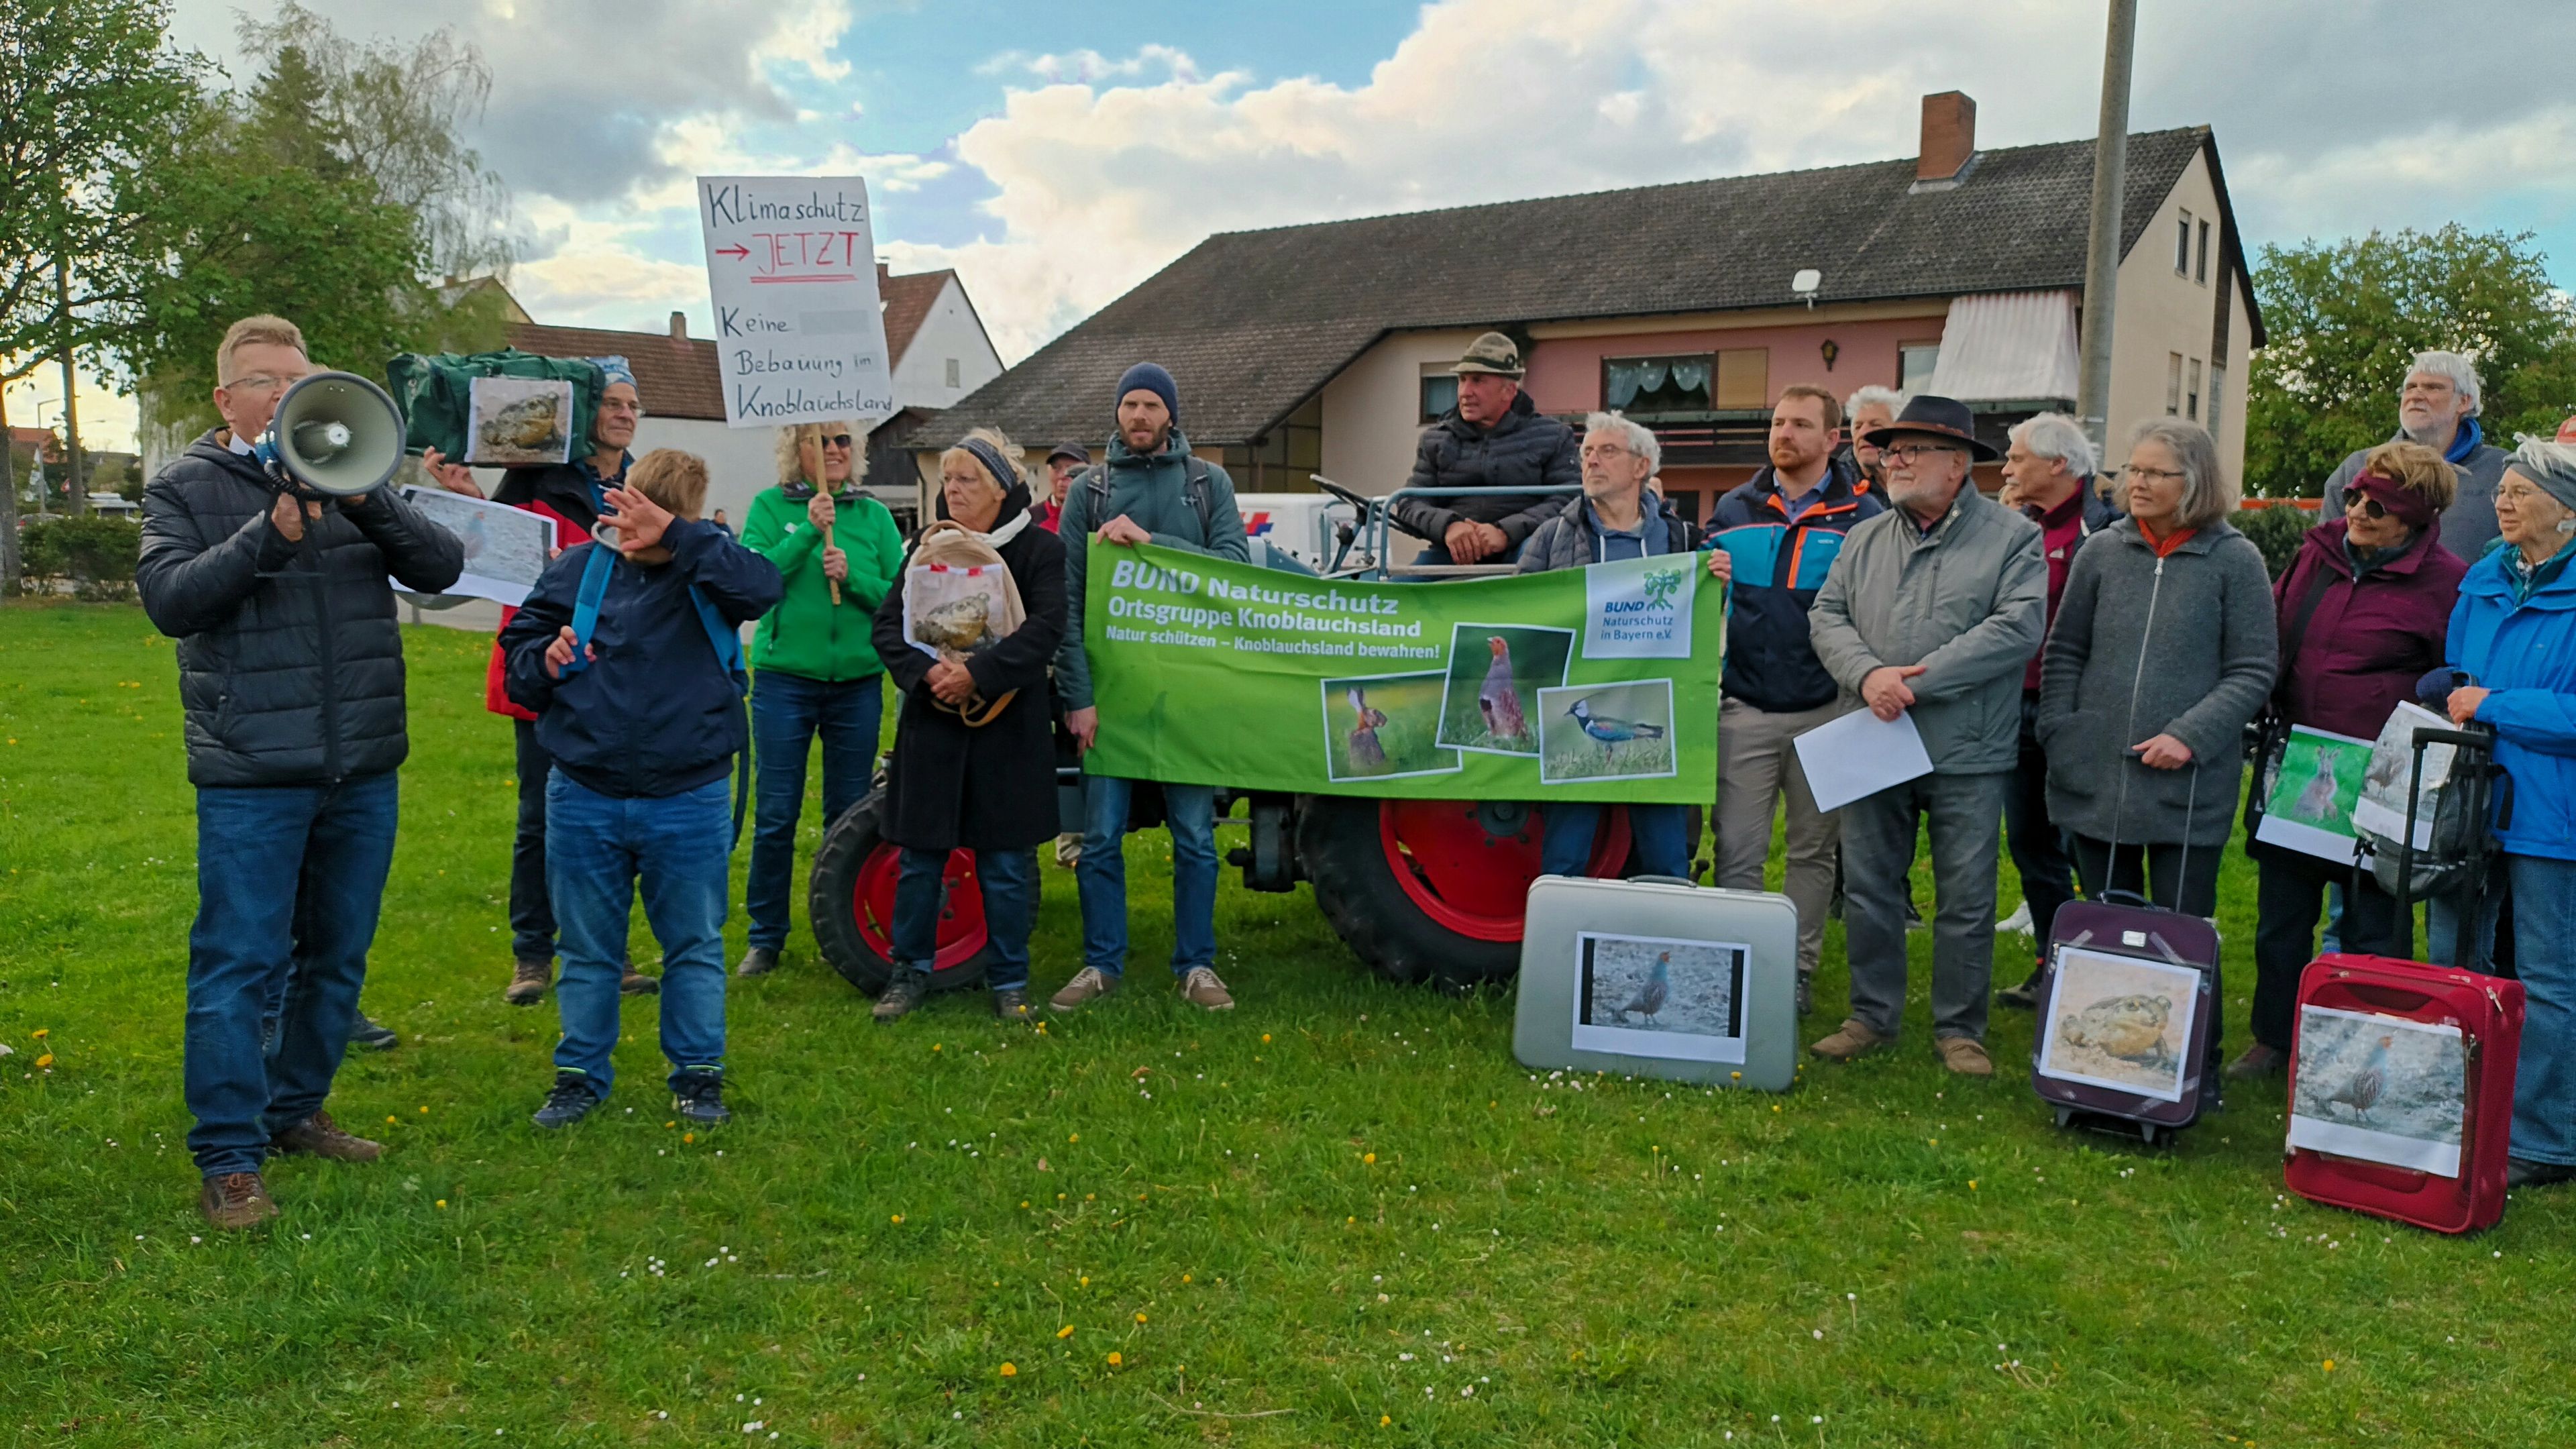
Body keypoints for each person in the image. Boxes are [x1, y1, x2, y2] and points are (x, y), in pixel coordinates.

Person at [136, 314, 466, 1229]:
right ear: (226, 399)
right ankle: (229, 1156)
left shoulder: (358, 474)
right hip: (253, 770)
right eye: (265, 380)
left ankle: (295, 1109)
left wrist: (368, 499)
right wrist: (270, 533)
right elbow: (170, 601)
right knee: (239, 964)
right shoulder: (184, 487)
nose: (286, 392)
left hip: (361, 763)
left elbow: (443, 568)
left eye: (298, 376)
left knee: (337, 955)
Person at [500, 449, 782, 1130]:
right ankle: (579, 1077)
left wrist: (684, 539)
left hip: (689, 792)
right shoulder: (577, 569)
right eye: (628, 514)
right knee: (586, 950)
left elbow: (763, 589)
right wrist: (545, 660)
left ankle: (698, 1076)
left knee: (694, 946)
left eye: (651, 520)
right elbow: (518, 660)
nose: (632, 532)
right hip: (585, 789)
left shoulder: (712, 566)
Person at [1806, 395, 2046, 1075]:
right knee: (1870, 886)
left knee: (1966, 896)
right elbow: (1826, 616)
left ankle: (1960, 1029)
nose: (1895, 461)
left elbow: (2017, 628)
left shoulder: (2013, 538)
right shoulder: (1864, 538)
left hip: (1967, 747)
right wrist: (1869, 676)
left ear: (1958, 464)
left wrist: (1915, 682)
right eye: (1891, 450)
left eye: (1912, 450)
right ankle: (1870, 1015)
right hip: (1873, 735)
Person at [2037, 419, 2276, 1073]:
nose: (2135, 483)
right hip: (2094, 776)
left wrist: (2189, 737)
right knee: (2102, 925)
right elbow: (2065, 649)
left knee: (2182, 932)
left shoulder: (2235, 562)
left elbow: (2253, 669)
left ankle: (2190, 1067)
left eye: (2153, 473)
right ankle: (2098, 1070)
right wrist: (2061, 729)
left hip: (2185, 786)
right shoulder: (2101, 552)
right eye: (2132, 470)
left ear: (2193, 482)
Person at [425, 360, 662, 1004]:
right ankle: (532, 955)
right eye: (612, 403)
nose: (624, 414)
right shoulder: (534, 476)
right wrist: (470, 499)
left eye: (632, 405)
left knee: (611, 819)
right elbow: (491, 552)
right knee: (539, 819)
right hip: (544, 668)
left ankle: (609, 950)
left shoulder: (645, 485)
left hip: (615, 675)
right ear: (586, 412)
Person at [2228, 442, 2464, 1077]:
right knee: (2282, 916)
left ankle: (2363, 1050)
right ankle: (2275, 1039)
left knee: (2373, 923)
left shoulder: (2447, 583)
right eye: (2356, 497)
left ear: (2415, 517)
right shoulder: (2318, 553)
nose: (2357, 511)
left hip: (2383, 781)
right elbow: (2277, 628)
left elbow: (2455, 676)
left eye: (2377, 506)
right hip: (2302, 763)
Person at [1053, 362, 1250, 1012]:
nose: (1139, 416)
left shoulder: (1208, 484)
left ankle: (1197, 965)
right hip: (1111, 698)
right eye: (1130, 405)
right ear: (1117, 413)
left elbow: (1234, 569)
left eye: (1151, 406)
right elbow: (1068, 602)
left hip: (1188, 692)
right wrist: (1078, 698)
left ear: (1171, 414)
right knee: (1100, 838)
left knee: (1194, 837)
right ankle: (1101, 963)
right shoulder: (1089, 490)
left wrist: (1152, 544)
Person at [869, 429, 1068, 1022]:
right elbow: (888, 627)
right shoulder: (925, 547)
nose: (952, 490)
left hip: (1007, 730)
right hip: (933, 726)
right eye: (948, 479)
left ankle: (1009, 980)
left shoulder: (1039, 550)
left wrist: (978, 674)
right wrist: (927, 674)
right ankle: (908, 973)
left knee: (1005, 865)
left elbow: (1046, 628)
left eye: (967, 479)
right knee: (920, 860)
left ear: (1001, 488)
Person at [1699, 385, 1883, 1014]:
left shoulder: (1865, 516)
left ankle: (1794, 971)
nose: (1784, 433)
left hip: (1827, 711)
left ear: (1833, 439)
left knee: (1812, 851)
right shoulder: (1734, 508)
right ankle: (1738, 965)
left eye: (1801, 424)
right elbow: (1699, 597)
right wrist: (1707, 572)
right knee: (1737, 849)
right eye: (1778, 422)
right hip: (1745, 708)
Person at [2432, 439, 2576, 1187]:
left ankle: (2545, 1141)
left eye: (2523, 491)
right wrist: (2453, 691)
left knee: (2550, 976)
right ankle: (2455, 1110)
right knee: (2455, 955)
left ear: (2568, 511)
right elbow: (2461, 672)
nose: (2503, 501)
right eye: (2503, 490)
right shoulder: (2484, 579)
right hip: (2471, 797)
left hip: (2556, 811)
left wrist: (2495, 704)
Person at [733, 421, 907, 977]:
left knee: (848, 815)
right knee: (776, 813)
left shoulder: (874, 516)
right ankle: (766, 936)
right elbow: (755, 582)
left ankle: (844, 931)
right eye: (821, 441)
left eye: (842, 442)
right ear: (798, 450)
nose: (834, 450)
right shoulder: (769, 508)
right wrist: (808, 532)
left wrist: (853, 578)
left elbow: (899, 599)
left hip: (856, 683)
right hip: (786, 680)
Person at [1517, 412, 1698, 878]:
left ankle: (1667, 926)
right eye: (1587, 453)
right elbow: (1520, 618)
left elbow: (1703, 620)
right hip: (1577, 707)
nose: (1592, 461)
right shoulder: (1552, 536)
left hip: (1657, 707)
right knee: (1565, 857)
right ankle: (1559, 928)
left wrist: (1718, 580)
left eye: (1607, 451)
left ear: (1642, 467)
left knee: (1667, 859)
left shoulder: (1680, 538)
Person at [1992, 412, 2121, 1008]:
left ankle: (2111, 965)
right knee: (2030, 841)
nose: (2006, 469)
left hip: (2080, 712)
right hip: (2016, 706)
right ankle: (2054, 960)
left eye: (2017, 458)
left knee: (2087, 844)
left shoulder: (2109, 531)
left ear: (2058, 464)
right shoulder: (2018, 527)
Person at [1389, 333, 1578, 566]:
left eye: (1478, 381)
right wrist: (1449, 525)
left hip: (1528, 550)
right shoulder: (1436, 439)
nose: (1465, 392)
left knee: (1532, 565)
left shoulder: (1553, 436)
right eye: (1462, 380)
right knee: (1400, 587)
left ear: (1509, 391)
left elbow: (1570, 498)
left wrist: (1506, 531)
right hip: (1453, 554)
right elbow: (1410, 502)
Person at [2320, 350, 2509, 559]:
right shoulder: (2357, 468)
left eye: (2433, 387)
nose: (2416, 396)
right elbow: (2324, 556)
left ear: (2464, 402)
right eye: (2410, 387)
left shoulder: (2503, 472)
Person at [1839, 385, 1905, 492]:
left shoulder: (1917, 478)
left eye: (1876, 425)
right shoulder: (1835, 487)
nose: (1863, 433)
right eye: (1858, 427)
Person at [1034, 443, 1088, 533]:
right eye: (1056, 468)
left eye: (1072, 469)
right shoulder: (1030, 520)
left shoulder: (1099, 519)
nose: (1062, 475)